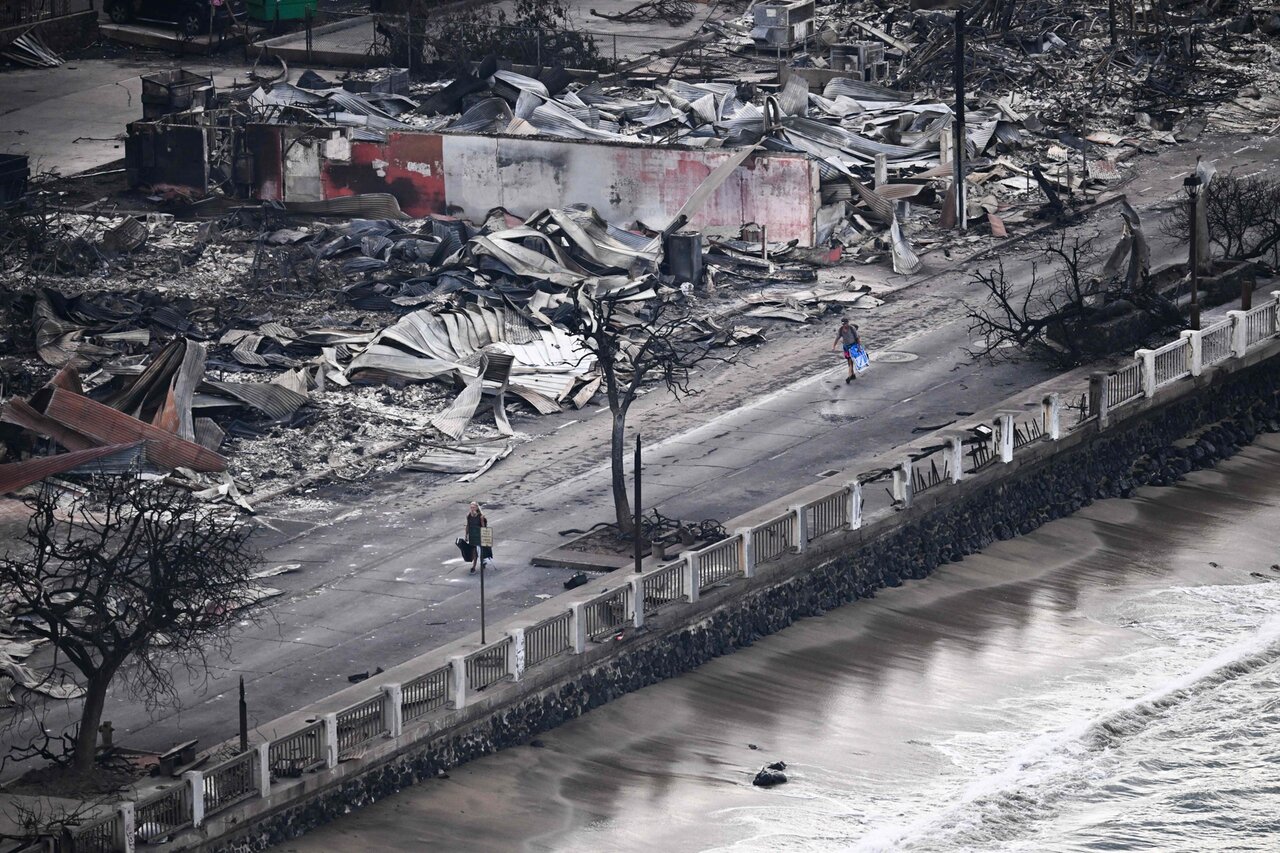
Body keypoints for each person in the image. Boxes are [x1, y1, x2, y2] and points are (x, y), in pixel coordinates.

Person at [831, 318, 862, 383]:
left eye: (845, 323)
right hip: (846, 347)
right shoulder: (841, 329)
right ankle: (853, 374)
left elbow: (857, 338)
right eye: (843, 324)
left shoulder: (852, 328)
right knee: (849, 360)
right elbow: (837, 338)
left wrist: (859, 347)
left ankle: (849, 376)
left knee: (851, 361)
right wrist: (834, 346)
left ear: (848, 323)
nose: (844, 325)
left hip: (853, 347)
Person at [465, 502, 487, 574]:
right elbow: (468, 525)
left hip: (479, 536)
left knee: (479, 551)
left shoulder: (481, 516)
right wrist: (466, 535)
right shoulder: (468, 516)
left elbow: (483, 527)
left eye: (473, 507)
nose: (472, 509)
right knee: (474, 552)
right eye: (471, 507)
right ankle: (473, 567)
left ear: (477, 508)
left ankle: (483, 561)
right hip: (472, 536)